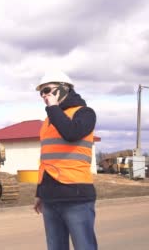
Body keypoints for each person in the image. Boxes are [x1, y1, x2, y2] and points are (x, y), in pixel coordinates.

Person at [33, 70, 98, 250]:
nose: (44, 96)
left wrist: (53, 108)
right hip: (50, 198)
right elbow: (46, 160)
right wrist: (40, 192)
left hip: (76, 195)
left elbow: (71, 133)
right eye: (41, 93)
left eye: (47, 90)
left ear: (63, 89)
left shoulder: (85, 113)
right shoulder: (48, 121)